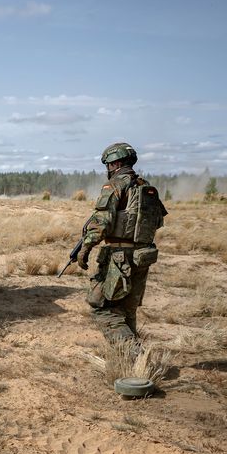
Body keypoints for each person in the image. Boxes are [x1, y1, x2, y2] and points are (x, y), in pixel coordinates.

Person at [77, 142, 168, 351]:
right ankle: (133, 368)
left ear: (116, 163)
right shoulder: (146, 187)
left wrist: (86, 248)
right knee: (127, 312)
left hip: (118, 256)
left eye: (109, 165)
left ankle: (134, 354)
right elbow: (158, 221)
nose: (108, 169)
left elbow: (102, 222)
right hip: (142, 257)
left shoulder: (116, 184)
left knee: (102, 308)